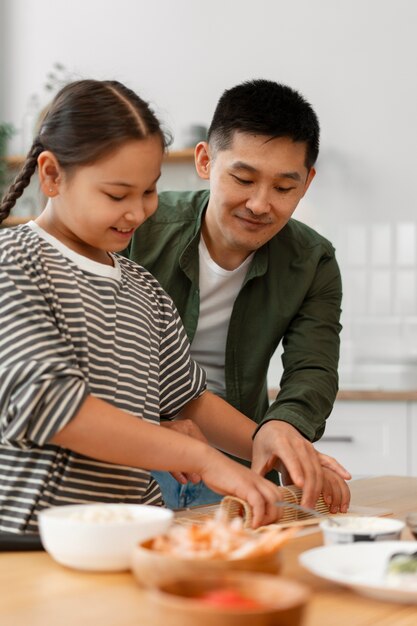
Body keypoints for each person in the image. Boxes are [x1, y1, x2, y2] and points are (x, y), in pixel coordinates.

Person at [0, 78, 296, 535]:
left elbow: (189, 399)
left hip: (129, 534)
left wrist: (267, 439)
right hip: (31, 537)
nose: (138, 213)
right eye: (117, 195)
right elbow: (49, 404)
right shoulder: (14, 262)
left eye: (148, 191)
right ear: (52, 174)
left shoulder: (142, 287)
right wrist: (200, 457)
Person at [127, 78, 351, 512]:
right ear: (205, 160)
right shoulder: (138, 229)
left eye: (284, 188)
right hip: (132, 458)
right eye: (243, 178)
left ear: (306, 183)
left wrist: (285, 432)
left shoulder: (312, 261)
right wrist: (157, 426)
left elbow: (313, 367)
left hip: (237, 462)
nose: (260, 204)